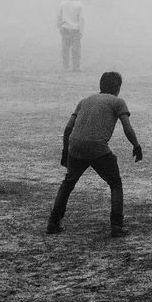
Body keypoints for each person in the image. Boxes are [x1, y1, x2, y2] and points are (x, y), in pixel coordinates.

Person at [48, 72, 142, 236]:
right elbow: (128, 128)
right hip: (98, 147)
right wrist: (136, 145)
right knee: (115, 184)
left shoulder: (84, 101)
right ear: (118, 88)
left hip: (75, 145)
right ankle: (117, 225)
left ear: (101, 85)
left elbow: (68, 128)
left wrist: (65, 151)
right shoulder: (118, 102)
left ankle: (53, 223)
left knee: (68, 183)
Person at [56, 0, 85, 71]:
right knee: (76, 50)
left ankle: (66, 66)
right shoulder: (79, 5)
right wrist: (81, 31)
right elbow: (81, 19)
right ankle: (75, 67)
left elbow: (59, 17)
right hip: (75, 30)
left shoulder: (62, 4)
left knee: (65, 49)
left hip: (65, 28)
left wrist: (59, 27)